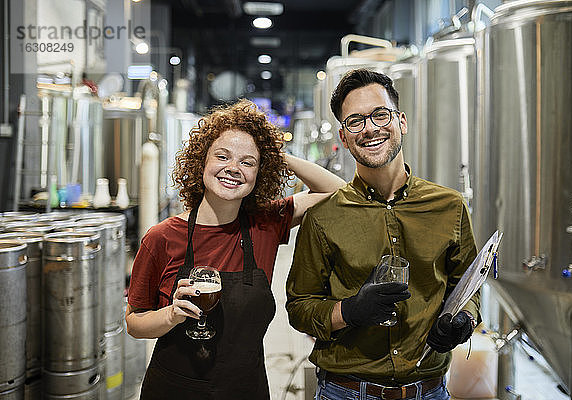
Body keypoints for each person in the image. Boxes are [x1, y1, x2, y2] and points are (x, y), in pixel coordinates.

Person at [125, 99, 346, 399]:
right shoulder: (162, 237)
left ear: (259, 174)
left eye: (247, 162)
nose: (233, 168)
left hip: (246, 389)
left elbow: (336, 190)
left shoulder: (266, 224)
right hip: (175, 390)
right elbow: (134, 323)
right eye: (222, 156)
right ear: (202, 160)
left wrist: (276, 154)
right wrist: (171, 315)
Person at [285, 69, 480, 400]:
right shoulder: (323, 216)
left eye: (380, 115)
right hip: (347, 391)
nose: (370, 128)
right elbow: (300, 307)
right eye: (355, 121)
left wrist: (464, 319)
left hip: (430, 390)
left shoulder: (450, 206)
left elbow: (469, 287)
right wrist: (349, 311)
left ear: (401, 122)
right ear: (344, 138)